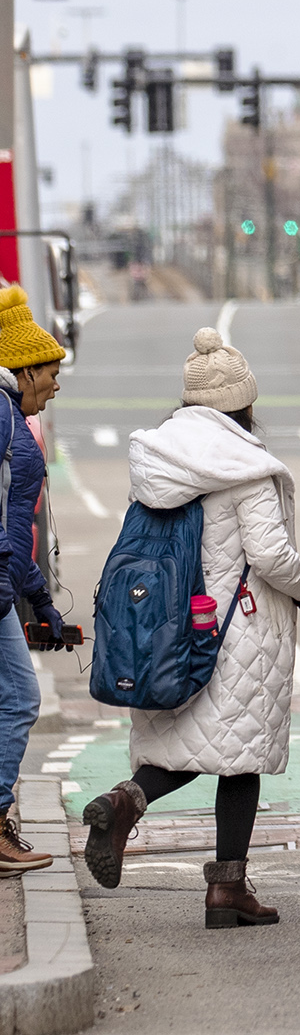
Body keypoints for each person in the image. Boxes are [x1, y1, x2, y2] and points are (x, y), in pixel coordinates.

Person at [81, 328, 300, 927]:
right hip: (235, 632)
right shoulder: (244, 466)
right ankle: (227, 890)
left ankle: (126, 801)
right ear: (243, 406)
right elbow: (272, 557)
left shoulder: (158, 459)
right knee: (238, 758)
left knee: (186, 744)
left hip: (164, 629)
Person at [0, 287, 68, 875]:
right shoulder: (8, 426)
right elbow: (9, 533)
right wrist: (30, 596)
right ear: (22, 369)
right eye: (49, 371)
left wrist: (38, 602)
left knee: (15, 697)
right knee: (20, 698)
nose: (54, 384)